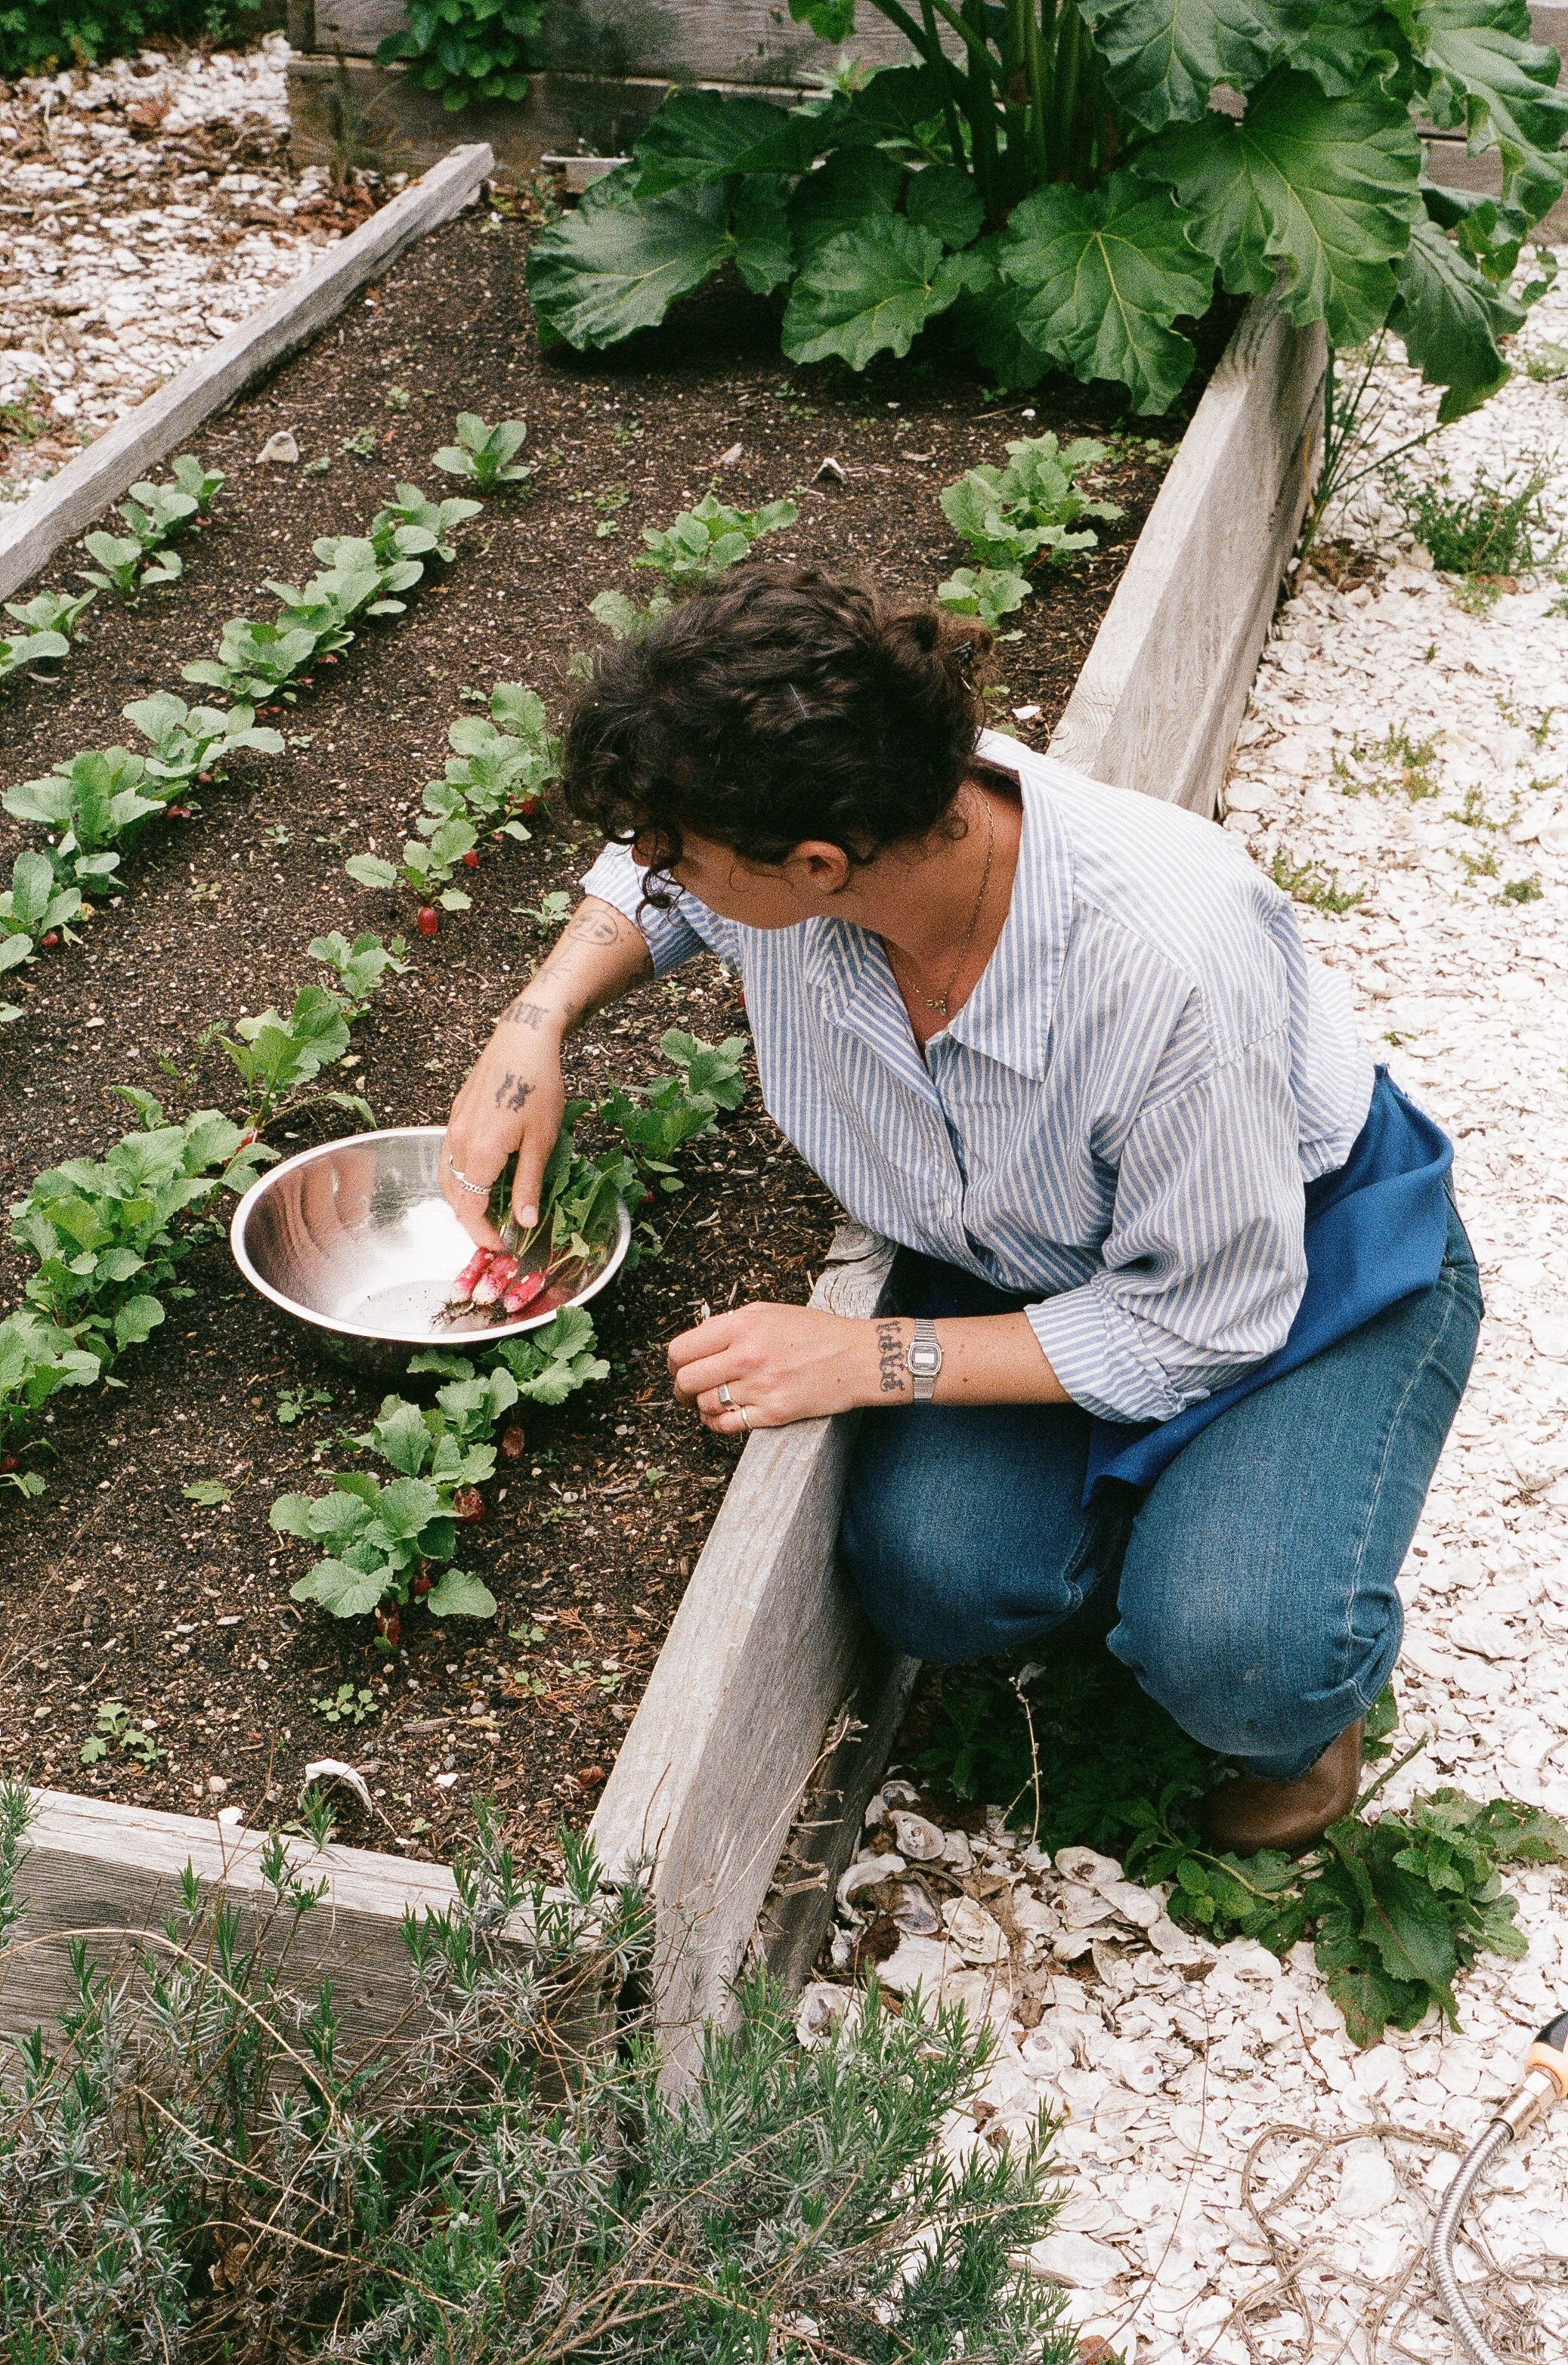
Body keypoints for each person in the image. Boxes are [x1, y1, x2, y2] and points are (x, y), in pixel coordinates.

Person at [442, 569, 1481, 1856]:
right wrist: (535, 1023)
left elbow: (1203, 1315)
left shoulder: (1161, 961)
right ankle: (1168, 1538)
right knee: (937, 1580)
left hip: (1295, 1269)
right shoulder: (841, 818)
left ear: (817, 865)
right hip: (1035, 1256)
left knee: (1238, 1653)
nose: (658, 872)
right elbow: (649, 872)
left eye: (684, 856)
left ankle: (1292, 1688)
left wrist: (867, 1352)